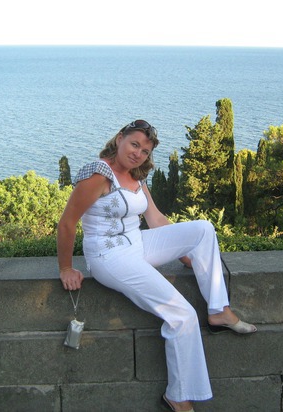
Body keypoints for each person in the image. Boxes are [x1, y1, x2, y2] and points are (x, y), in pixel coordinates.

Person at [56, 119, 256, 412]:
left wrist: (184, 251)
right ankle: (178, 396)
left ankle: (218, 311)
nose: (138, 154)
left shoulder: (136, 175)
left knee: (202, 229)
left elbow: (156, 219)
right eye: (134, 144)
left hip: (137, 244)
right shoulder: (98, 174)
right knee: (183, 315)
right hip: (109, 256)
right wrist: (65, 268)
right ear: (120, 139)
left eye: (145, 151)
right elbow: (67, 223)